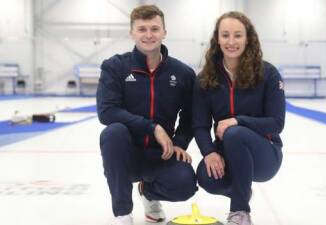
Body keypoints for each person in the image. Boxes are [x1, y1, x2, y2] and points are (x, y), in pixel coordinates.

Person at [96, 5, 197, 225]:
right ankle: (123, 214)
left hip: (162, 154)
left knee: (185, 184)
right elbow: (107, 111)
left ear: (164, 32)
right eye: (142, 29)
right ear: (132, 32)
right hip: (126, 155)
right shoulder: (115, 67)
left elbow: (192, 116)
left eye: (154, 28)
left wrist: (179, 142)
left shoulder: (182, 73)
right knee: (113, 132)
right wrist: (152, 128)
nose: (149, 35)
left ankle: (149, 193)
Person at [193, 11, 285, 225]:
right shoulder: (206, 78)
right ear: (217, 39)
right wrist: (209, 152)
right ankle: (241, 192)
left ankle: (240, 212)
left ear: (248, 38)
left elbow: (276, 123)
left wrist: (239, 121)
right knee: (207, 178)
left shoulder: (268, 74)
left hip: (266, 154)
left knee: (235, 132)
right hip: (227, 150)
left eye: (238, 35)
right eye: (225, 35)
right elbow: (199, 125)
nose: (231, 42)